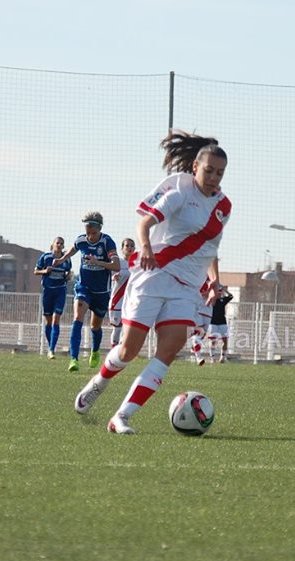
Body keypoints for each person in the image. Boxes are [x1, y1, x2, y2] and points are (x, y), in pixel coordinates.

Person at [74, 130, 231, 434]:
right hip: (155, 277)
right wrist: (145, 246)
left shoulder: (223, 207)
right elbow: (145, 222)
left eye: (220, 173)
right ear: (195, 168)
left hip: (186, 288)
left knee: (169, 350)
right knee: (128, 351)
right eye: (209, 170)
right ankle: (99, 382)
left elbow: (210, 248)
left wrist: (214, 281)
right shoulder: (180, 194)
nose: (214, 178)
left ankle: (122, 416)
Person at [58, 212, 120, 372]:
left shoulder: (107, 242)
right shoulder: (81, 240)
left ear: (99, 229)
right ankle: (74, 359)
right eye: (88, 233)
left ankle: (95, 350)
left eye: (93, 233)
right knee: (77, 318)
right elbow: (73, 249)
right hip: (83, 287)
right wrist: (62, 260)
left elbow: (116, 266)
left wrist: (97, 262)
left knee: (95, 327)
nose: (90, 237)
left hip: (101, 292)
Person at [33, 236, 72, 359]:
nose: (59, 245)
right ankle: (51, 347)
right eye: (57, 243)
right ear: (53, 244)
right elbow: (36, 271)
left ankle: (51, 350)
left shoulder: (66, 259)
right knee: (49, 321)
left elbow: (68, 273)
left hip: (60, 291)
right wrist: (45, 271)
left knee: (56, 319)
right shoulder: (46, 257)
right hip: (48, 292)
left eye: (62, 243)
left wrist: (68, 276)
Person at [108, 238, 136, 349]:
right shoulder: (117, 263)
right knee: (117, 328)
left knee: (128, 328)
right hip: (117, 301)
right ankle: (113, 351)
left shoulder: (137, 264)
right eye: (127, 246)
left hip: (131, 302)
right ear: (122, 249)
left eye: (132, 246)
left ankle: (121, 352)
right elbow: (109, 277)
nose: (129, 248)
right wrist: (114, 277)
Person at [207, 285, 234, 363]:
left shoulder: (223, 300)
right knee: (213, 341)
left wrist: (225, 290)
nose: (219, 294)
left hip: (222, 322)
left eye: (220, 292)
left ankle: (222, 357)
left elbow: (231, 296)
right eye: (218, 292)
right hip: (213, 322)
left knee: (225, 340)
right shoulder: (211, 300)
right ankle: (212, 358)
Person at [189, 278, 213, 366]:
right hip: (197, 310)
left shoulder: (214, 281)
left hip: (208, 311)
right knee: (197, 334)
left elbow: (217, 295)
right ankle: (199, 357)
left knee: (201, 335)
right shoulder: (196, 277)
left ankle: (195, 346)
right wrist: (201, 294)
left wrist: (211, 294)